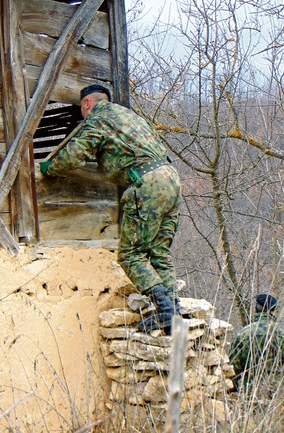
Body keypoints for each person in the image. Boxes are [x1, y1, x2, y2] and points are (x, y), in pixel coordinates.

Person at [39, 84, 182, 335]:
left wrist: (49, 168)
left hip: (146, 183)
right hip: (171, 180)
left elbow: (75, 154)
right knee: (158, 252)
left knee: (130, 255)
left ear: (87, 104)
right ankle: (174, 312)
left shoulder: (98, 118)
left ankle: (164, 311)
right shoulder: (128, 116)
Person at [229, 294, 284, 396]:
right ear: (273, 311)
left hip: (251, 395)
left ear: (255, 310)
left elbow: (233, 368)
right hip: (279, 396)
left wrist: (232, 392)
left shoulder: (244, 333)